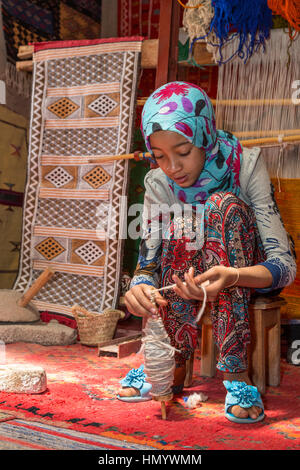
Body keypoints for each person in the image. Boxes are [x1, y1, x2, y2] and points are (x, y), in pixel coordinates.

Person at [118, 81, 296, 423]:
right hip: (189, 272)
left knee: (220, 205)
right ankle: (174, 358)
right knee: (182, 223)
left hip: (249, 271)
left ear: (205, 137)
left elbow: (284, 266)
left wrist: (233, 276)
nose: (172, 167)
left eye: (183, 152)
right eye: (159, 156)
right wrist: (139, 286)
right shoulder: (159, 183)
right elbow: (148, 265)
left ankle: (235, 371)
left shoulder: (245, 164)